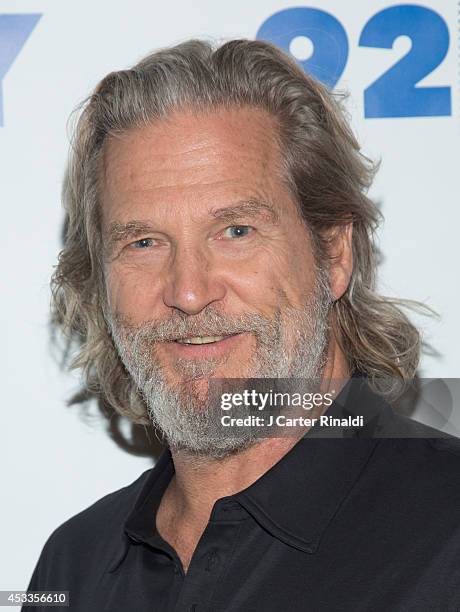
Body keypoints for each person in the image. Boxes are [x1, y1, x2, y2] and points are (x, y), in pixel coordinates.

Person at [24, 39, 459, 611]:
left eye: (235, 232)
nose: (187, 291)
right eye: (144, 242)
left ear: (333, 253)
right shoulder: (74, 564)